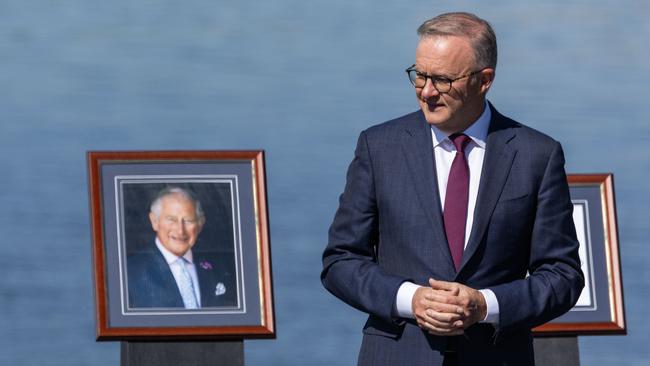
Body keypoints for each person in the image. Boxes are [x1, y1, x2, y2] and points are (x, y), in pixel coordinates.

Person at [321, 12, 584, 366]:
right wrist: (410, 299)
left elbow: (562, 276)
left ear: (484, 80)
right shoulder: (378, 147)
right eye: (420, 76)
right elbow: (341, 261)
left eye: (443, 80)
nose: (427, 91)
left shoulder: (537, 155)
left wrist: (485, 305)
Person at [127, 187, 237, 309]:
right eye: (171, 220)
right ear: (155, 222)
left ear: (200, 224)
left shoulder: (223, 267)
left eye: (188, 220)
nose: (180, 230)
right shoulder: (130, 273)